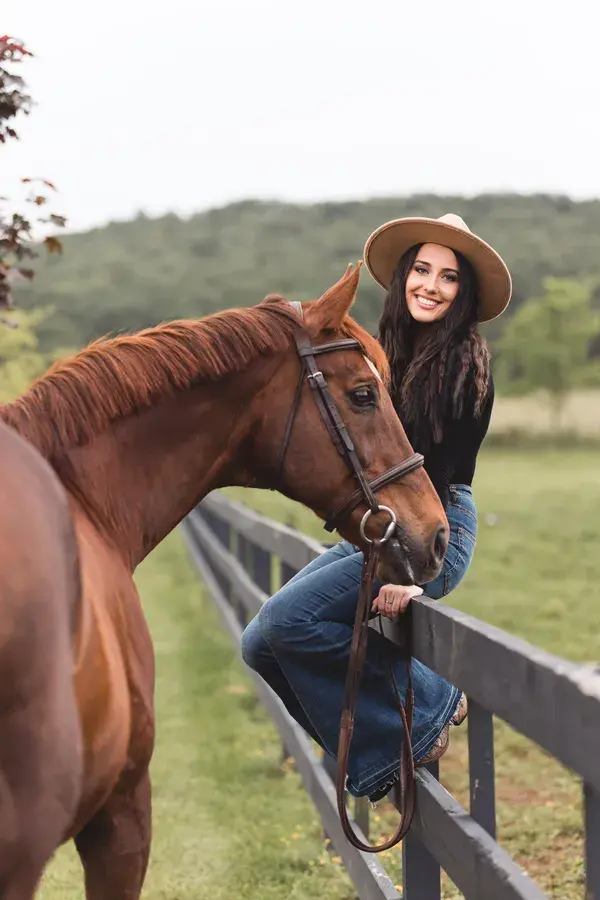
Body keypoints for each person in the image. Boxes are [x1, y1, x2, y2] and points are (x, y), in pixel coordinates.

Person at [241, 213, 512, 802]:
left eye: (448, 277)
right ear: (404, 276)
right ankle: (367, 752)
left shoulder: (461, 361)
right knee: (260, 643)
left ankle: (431, 701)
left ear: (462, 293)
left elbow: (430, 485)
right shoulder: (385, 351)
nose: (430, 286)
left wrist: (409, 572)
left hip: (429, 533)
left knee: (291, 622)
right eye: (421, 270)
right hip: (380, 527)